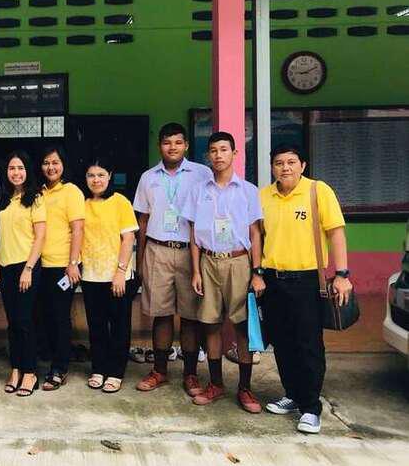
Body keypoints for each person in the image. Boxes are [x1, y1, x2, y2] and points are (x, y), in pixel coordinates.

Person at [259, 144, 351, 434]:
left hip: (307, 281)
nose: (285, 168)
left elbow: (336, 233)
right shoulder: (264, 196)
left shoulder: (317, 191)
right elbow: (257, 237)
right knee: (281, 341)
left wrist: (342, 274)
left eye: (291, 162)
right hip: (273, 280)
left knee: (308, 343)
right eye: (279, 163)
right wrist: (257, 273)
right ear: (272, 167)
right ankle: (292, 394)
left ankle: (311, 407)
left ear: (303, 165)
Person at [181, 131, 264, 412]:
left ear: (234, 153)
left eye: (224, 149)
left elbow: (255, 233)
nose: (218, 155)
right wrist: (195, 271)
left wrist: (257, 271)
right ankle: (215, 383)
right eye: (214, 150)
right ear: (208, 155)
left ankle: (245, 388)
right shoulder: (199, 190)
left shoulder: (248, 190)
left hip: (239, 262)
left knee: (242, 326)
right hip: (208, 262)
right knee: (211, 324)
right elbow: (193, 234)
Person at [132, 122, 212, 396]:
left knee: (190, 316)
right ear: (160, 146)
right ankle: (160, 371)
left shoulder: (202, 174)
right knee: (161, 313)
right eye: (167, 143)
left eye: (178, 142)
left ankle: (190, 374)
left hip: (191, 251)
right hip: (158, 250)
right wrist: (140, 259)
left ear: (186, 145)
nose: (172, 147)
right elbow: (143, 220)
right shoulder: (148, 178)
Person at [81, 157, 138, 393]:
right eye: (91, 175)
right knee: (96, 326)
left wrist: (120, 271)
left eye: (101, 175)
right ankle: (98, 368)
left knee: (119, 325)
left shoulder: (120, 202)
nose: (96, 180)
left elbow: (129, 238)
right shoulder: (82, 203)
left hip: (117, 275)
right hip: (90, 275)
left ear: (110, 176)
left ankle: (115, 372)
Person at [0, 151, 46, 397]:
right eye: (12, 168)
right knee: (12, 321)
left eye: (20, 168)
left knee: (25, 321)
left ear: (28, 171)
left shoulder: (36, 198)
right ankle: (15, 369)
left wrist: (28, 269)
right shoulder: (1, 200)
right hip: (5, 266)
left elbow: (40, 237)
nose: (16, 172)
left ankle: (30, 372)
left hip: (27, 266)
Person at [36, 144, 85, 392]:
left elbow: (78, 229)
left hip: (62, 266)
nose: (51, 167)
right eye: (46, 162)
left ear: (63, 165)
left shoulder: (71, 191)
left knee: (59, 317)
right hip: (39, 265)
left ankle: (60, 368)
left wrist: (73, 263)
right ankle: (48, 358)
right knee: (43, 316)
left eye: (55, 162)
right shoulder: (38, 192)